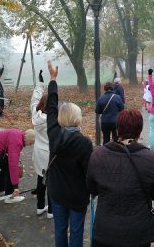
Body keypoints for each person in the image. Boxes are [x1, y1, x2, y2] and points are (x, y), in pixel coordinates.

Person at [86, 109, 154, 247]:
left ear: (118, 129)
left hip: (105, 230)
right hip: (138, 232)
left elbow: (91, 188)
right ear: (140, 131)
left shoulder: (98, 155)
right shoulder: (150, 158)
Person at [46, 61, 93, 247]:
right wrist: (93, 191)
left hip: (57, 191)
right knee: (76, 232)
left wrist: (53, 80)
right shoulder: (84, 143)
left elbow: (51, 107)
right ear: (77, 117)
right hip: (77, 195)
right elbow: (89, 173)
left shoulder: (53, 133)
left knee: (59, 230)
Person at [0, 129, 35, 203]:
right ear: (28, 139)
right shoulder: (17, 142)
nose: (30, 145)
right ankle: (10, 196)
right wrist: (15, 187)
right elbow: (13, 166)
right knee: (8, 169)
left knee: (5, 168)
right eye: (31, 143)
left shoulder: (18, 134)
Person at [30, 69, 53, 218]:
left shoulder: (35, 115)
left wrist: (40, 84)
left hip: (38, 152)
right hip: (50, 153)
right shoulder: (54, 120)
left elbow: (34, 99)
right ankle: (51, 210)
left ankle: (39, 207)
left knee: (40, 178)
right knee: (51, 181)